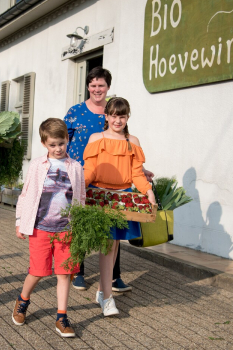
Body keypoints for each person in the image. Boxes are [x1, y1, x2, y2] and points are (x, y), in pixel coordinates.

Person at [64, 67, 153, 292]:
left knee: (114, 234)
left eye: (101, 85)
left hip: (115, 185)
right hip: (86, 176)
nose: (97, 89)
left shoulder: (115, 109)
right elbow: (63, 142)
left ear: (108, 88)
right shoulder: (76, 112)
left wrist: (143, 176)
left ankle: (113, 279)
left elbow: (127, 157)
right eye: (93, 85)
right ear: (88, 86)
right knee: (84, 227)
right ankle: (79, 272)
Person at [83, 97, 156, 316]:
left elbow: (136, 174)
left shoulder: (132, 140)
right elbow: (90, 170)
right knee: (107, 245)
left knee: (114, 246)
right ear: (106, 116)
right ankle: (107, 298)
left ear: (127, 117)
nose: (117, 120)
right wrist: (78, 186)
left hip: (123, 197)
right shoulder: (97, 137)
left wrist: (148, 192)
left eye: (122, 116)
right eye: (113, 115)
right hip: (99, 196)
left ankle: (100, 291)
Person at [13, 118, 85, 337]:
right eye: (52, 145)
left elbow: (80, 197)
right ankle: (23, 300)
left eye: (61, 143)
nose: (57, 149)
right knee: (37, 271)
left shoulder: (75, 167)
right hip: (40, 228)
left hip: (66, 229)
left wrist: (80, 225)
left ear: (67, 140)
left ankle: (61, 316)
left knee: (64, 273)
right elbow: (26, 195)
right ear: (44, 143)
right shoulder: (37, 165)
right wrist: (19, 222)